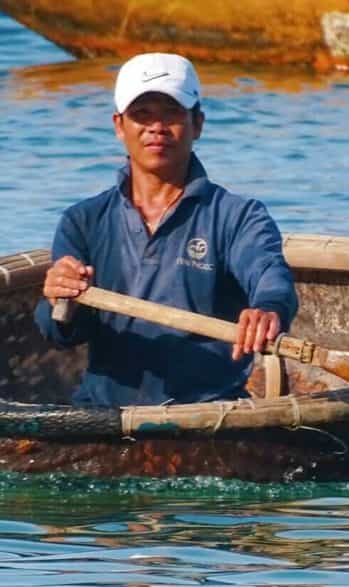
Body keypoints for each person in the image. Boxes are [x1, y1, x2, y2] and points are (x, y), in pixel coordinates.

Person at [34, 52, 298, 408]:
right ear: (118, 125)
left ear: (198, 124)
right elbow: (60, 334)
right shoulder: (83, 220)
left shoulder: (238, 216)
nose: (156, 127)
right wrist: (57, 298)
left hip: (210, 412)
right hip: (103, 414)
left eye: (172, 113)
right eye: (141, 115)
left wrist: (268, 308)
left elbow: (270, 274)